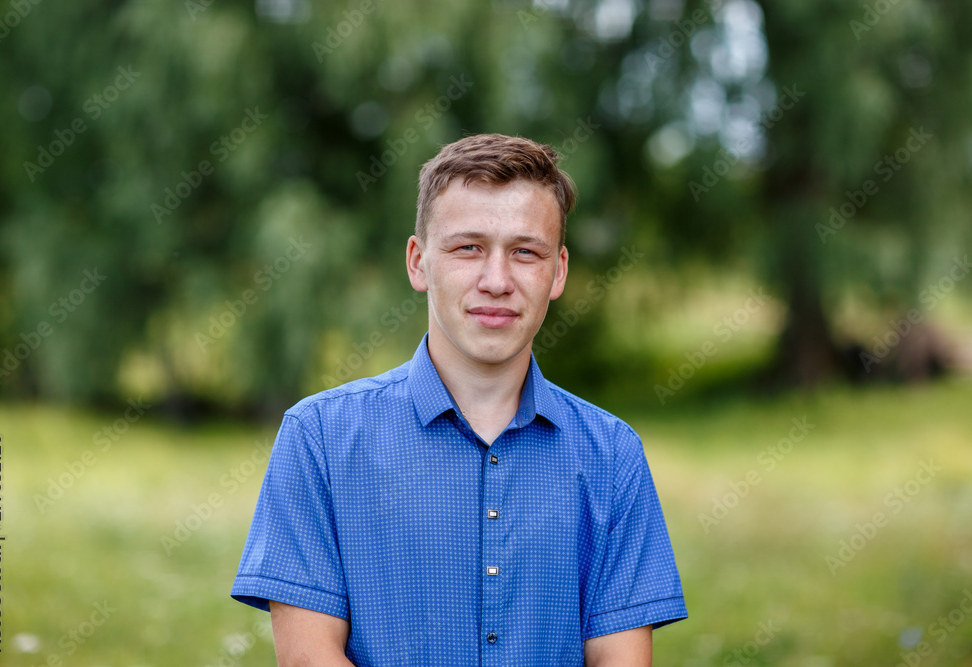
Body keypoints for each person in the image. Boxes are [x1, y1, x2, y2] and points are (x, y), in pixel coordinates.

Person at [231, 133, 687, 666]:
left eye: (525, 252)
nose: (497, 281)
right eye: (468, 247)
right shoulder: (319, 439)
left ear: (558, 271)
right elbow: (310, 660)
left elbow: (620, 659)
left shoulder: (612, 455)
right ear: (418, 262)